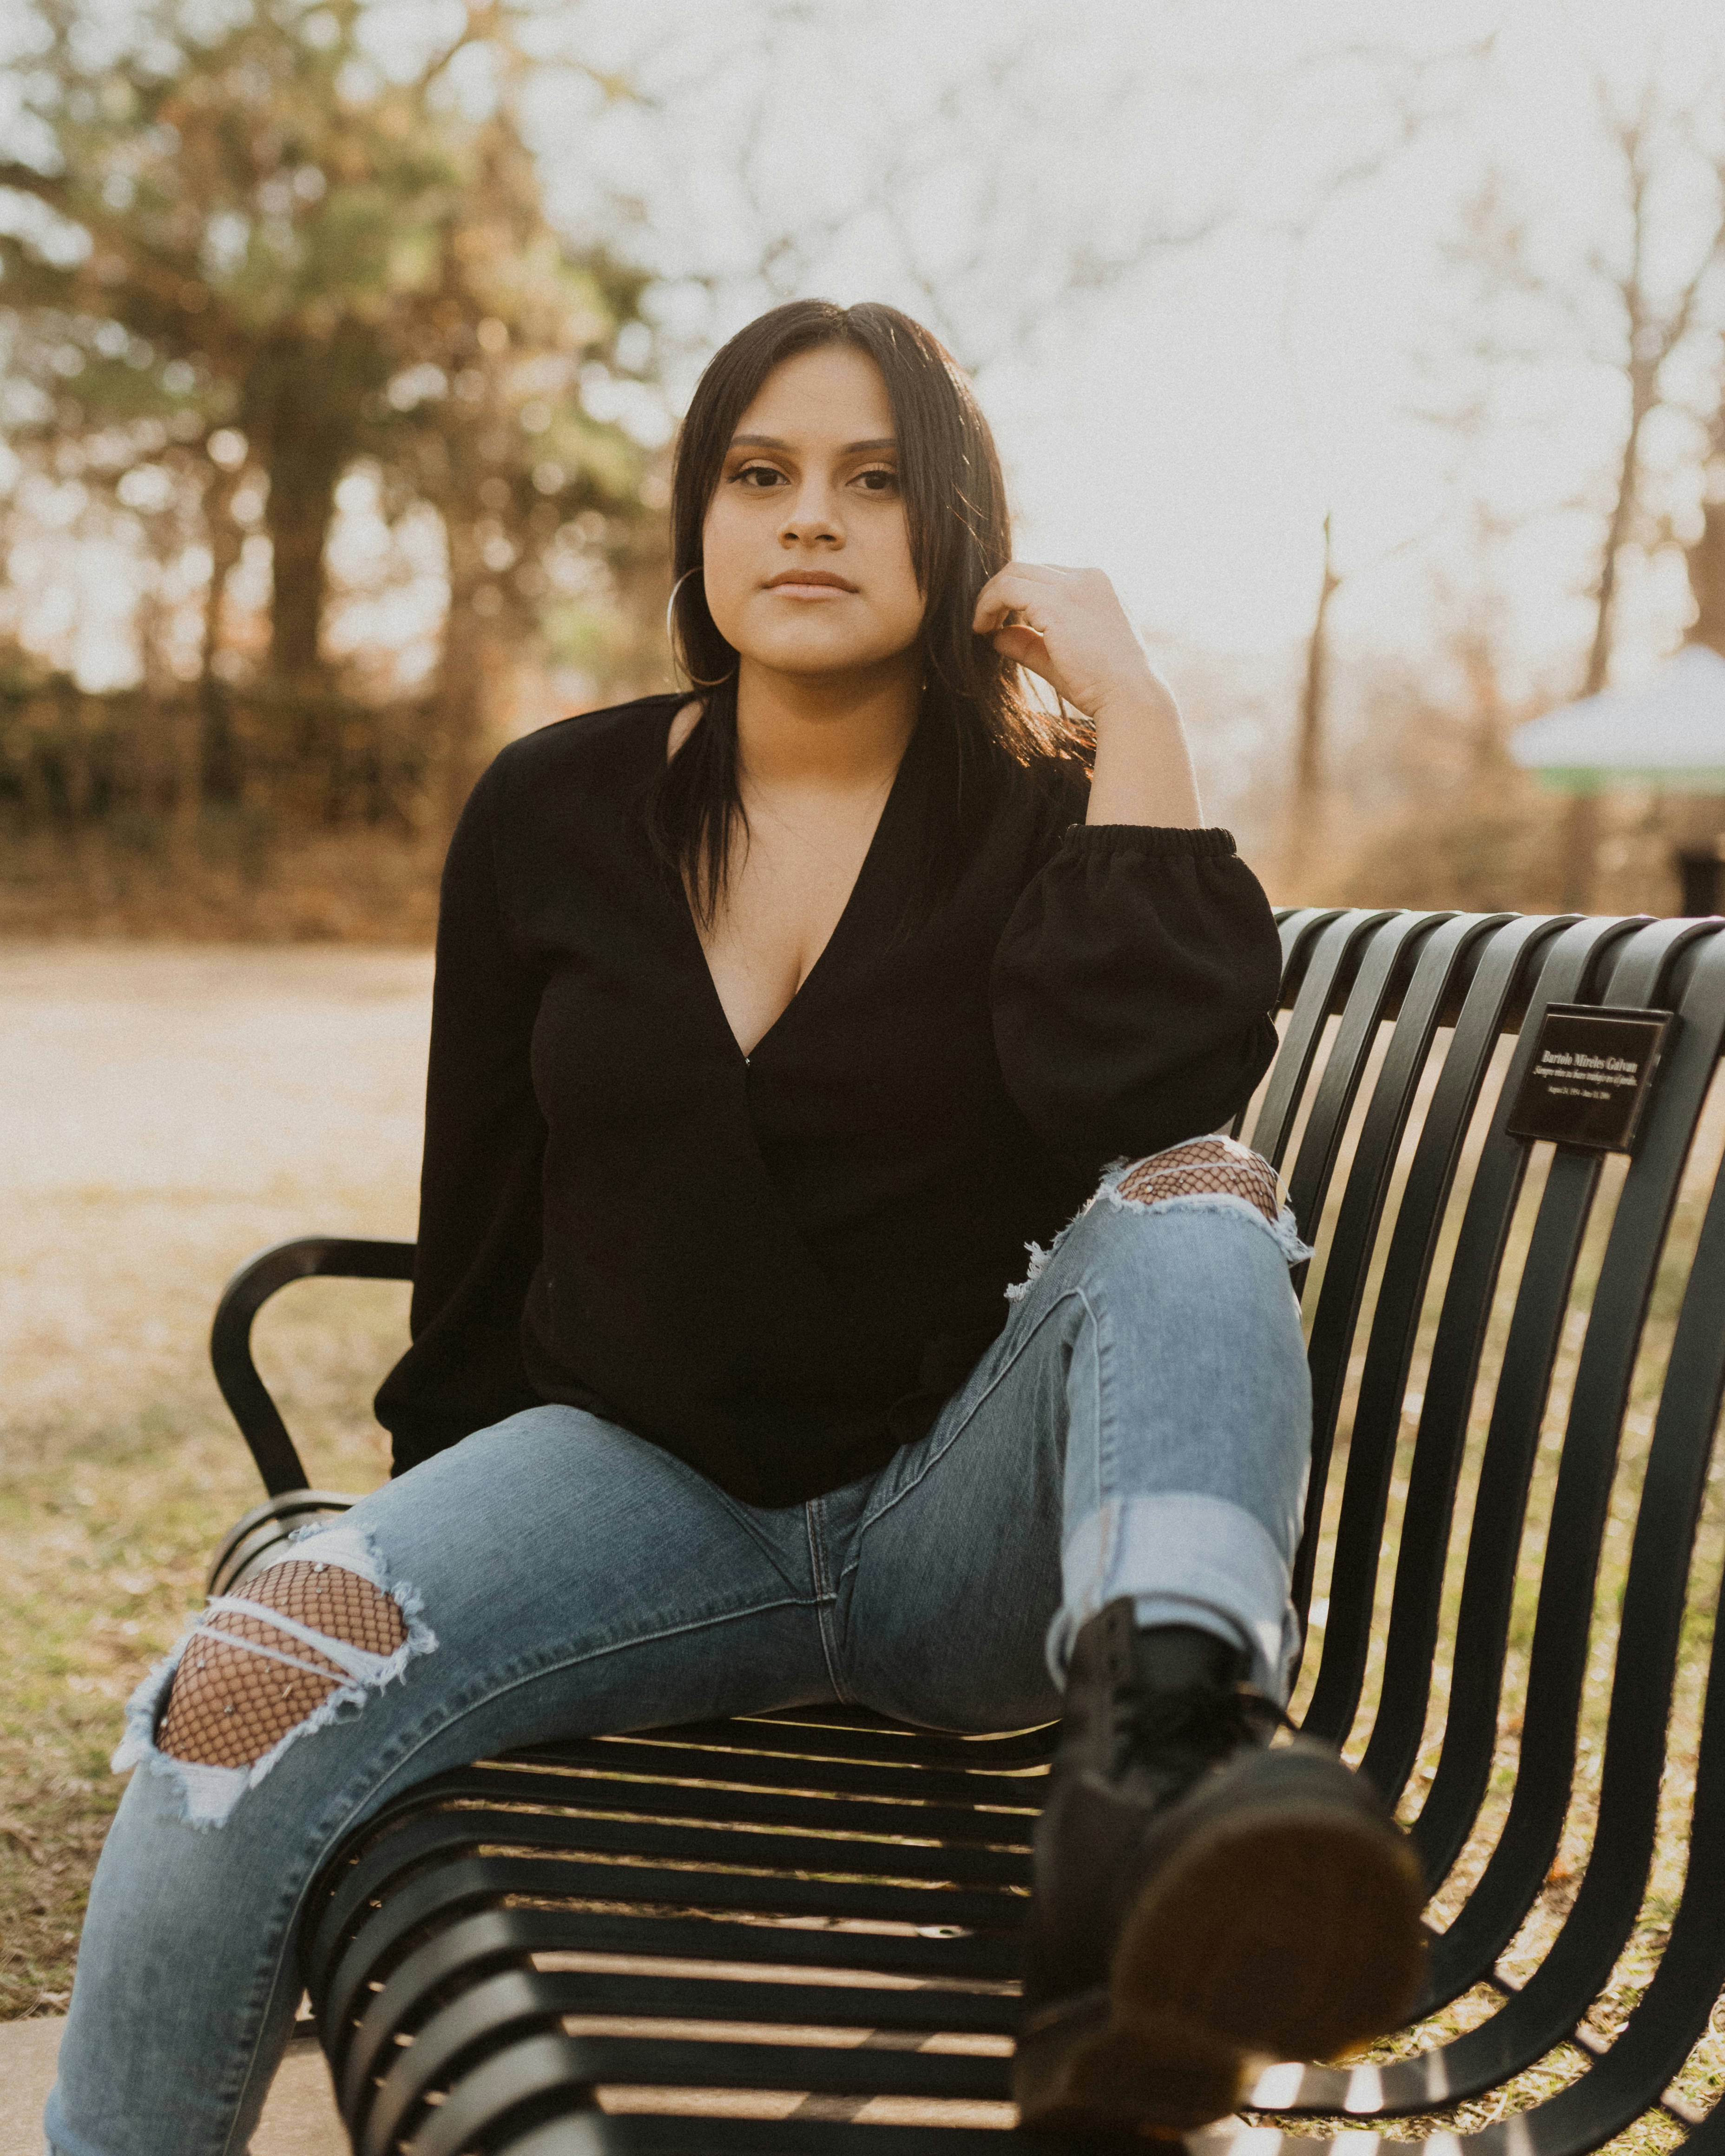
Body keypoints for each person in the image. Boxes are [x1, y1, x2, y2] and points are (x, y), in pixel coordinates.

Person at [45, 299, 1423, 2156]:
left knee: (1197, 1190)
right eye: (759, 474)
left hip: (961, 1526)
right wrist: (442, 1567)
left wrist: (1141, 710)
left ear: (955, 530)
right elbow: (482, 1225)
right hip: (636, 1495)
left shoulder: (1042, 813)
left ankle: (1167, 1759)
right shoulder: (549, 805)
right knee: (237, 1682)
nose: (809, 520)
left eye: (874, 480)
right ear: (697, 522)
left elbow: (1148, 1101)